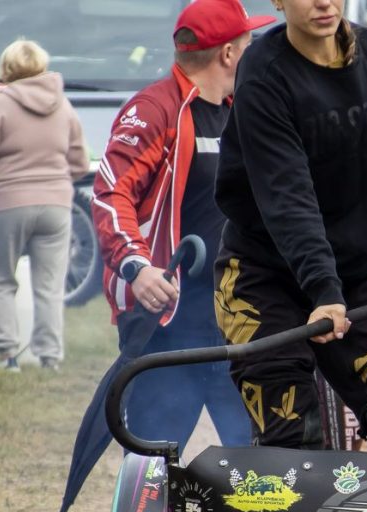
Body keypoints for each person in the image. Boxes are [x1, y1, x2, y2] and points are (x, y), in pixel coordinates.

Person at [212, 0, 367, 451]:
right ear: (277, 2)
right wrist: (323, 290)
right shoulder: (263, 72)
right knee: (294, 443)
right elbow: (287, 195)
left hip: (354, 275)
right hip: (261, 277)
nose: (323, 2)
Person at [92, 0, 263, 452]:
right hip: (169, 322)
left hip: (239, 316)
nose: (254, 50)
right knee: (152, 459)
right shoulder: (155, 109)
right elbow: (111, 195)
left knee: (261, 461)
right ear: (228, 53)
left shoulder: (244, 109)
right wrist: (138, 267)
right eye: (248, 42)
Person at [0, 40, 87, 371]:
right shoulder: (64, 106)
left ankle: (9, 356)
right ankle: (50, 357)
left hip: (7, 201)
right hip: (56, 205)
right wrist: (58, 181)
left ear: (6, 69)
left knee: (1, 280)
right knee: (50, 286)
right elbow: (80, 161)